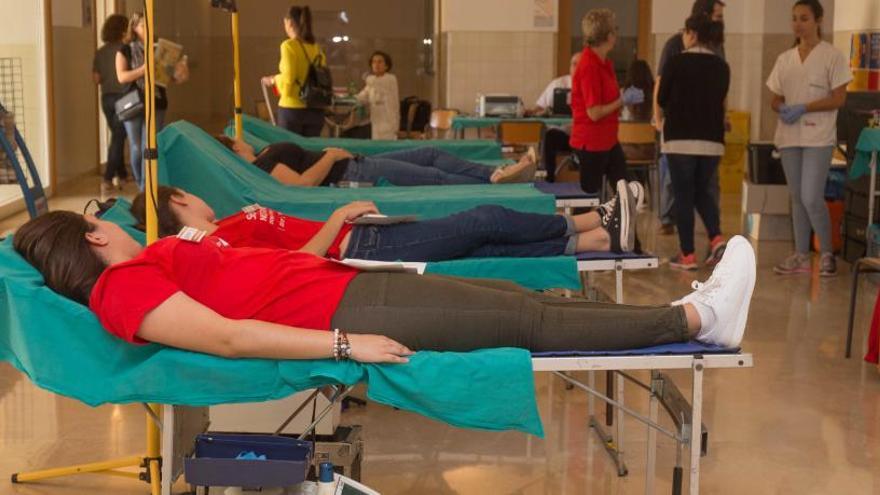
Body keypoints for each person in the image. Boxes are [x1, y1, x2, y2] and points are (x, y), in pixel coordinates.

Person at [13, 210, 756, 362]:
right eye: (102, 219)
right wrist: (344, 344)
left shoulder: (150, 263)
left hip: (346, 282)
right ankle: (696, 320)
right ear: (96, 238)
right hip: (347, 308)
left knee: (527, 304)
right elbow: (229, 337)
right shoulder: (121, 292)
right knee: (527, 325)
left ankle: (685, 309)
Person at [129, 181, 642, 262]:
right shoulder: (219, 243)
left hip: (362, 237)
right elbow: (299, 261)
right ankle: (594, 216)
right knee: (483, 219)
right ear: (176, 200)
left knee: (483, 248)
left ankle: (598, 241)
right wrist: (338, 217)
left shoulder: (227, 228)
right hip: (358, 250)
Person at [767, 0, 850, 277]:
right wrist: (782, 108)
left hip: (819, 136)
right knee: (797, 198)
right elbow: (775, 97)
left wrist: (805, 107)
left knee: (811, 196)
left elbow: (839, 97)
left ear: (818, 20)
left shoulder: (832, 56)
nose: (798, 24)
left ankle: (826, 253)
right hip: (790, 135)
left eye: (803, 18)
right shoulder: (785, 59)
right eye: (794, 19)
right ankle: (801, 255)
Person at [657, 14, 730, 271]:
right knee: (701, 191)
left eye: (685, 33)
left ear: (693, 34)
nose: (683, 38)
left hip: (680, 141)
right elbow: (720, 101)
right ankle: (717, 239)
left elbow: (663, 98)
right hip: (712, 142)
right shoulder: (722, 66)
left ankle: (687, 254)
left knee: (684, 194)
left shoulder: (676, 62)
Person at [214, 136, 538, 187]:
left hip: (352, 162)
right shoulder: (260, 166)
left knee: (430, 153)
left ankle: (496, 173)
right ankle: (494, 183)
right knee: (431, 175)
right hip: (349, 172)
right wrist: (329, 157)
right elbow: (303, 185)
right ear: (231, 147)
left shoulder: (263, 153)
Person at [570, 9, 645, 195]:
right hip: (592, 141)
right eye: (615, 29)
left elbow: (607, 98)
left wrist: (625, 95)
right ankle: (583, 224)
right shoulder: (589, 65)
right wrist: (622, 100)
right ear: (609, 35)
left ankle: (623, 224)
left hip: (608, 139)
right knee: (589, 199)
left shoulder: (604, 63)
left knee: (624, 192)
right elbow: (593, 113)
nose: (617, 34)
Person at [115, 12, 187, 191]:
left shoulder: (160, 48)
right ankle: (140, 182)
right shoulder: (125, 49)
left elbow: (173, 78)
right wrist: (143, 70)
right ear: (134, 28)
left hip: (157, 101)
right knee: (137, 147)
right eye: (142, 26)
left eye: (150, 25)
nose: (147, 29)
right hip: (134, 102)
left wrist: (180, 70)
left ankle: (146, 188)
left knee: (151, 146)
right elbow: (122, 77)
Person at [262, 6, 326, 137]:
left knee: (290, 153)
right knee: (310, 153)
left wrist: (273, 80)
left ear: (289, 22)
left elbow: (288, 78)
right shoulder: (317, 48)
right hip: (316, 110)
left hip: (293, 110)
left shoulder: (288, 46)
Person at [93, 14, 129, 201]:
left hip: (106, 98)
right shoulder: (126, 49)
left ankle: (122, 175)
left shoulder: (100, 51)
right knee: (118, 136)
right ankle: (107, 178)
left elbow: (96, 79)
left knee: (117, 134)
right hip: (124, 97)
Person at [535, 53, 581, 183]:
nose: (577, 68)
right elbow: (538, 108)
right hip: (564, 135)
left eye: (581, 65)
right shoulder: (558, 83)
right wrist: (545, 112)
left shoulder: (593, 85)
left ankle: (591, 185)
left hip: (584, 136)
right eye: (574, 64)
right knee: (549, 136)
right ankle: (549, 178)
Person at [355, 51, 400, 141]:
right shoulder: (371, 83)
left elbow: (372, 81)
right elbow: (361, 97)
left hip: (389, 123)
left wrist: (366, 77)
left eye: (380, 62)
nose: (376, 64)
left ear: (386, 65)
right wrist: (349, 97)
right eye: (374, 62)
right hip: (376, 122)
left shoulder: (390, 79)